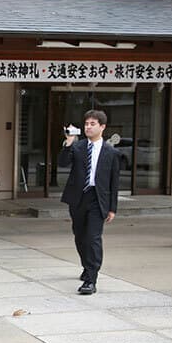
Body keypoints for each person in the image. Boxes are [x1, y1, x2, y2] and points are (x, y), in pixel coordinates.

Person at [58, 109, 120, 295]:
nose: (88, 127)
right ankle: (87, 266)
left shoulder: (111, 152)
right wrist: (69, 142)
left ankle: (91, 279)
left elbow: (114, 182)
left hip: (97, 199)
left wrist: (112, 208)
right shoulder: (78, 147)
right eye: (86, 124)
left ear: (102, 127)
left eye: (92, 124)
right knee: (80, 236)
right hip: (78, 198)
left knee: (93, 238)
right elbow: (62, 163)